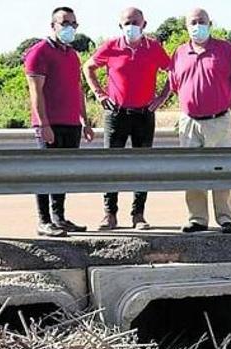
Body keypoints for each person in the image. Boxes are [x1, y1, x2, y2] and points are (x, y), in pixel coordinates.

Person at [83, 7, 172, 231]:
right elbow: (88, 67)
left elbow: (172, 71)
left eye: (135, 22)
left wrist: (162, 97)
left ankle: (138, 215)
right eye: (126, 22)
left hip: (144, 114)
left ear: (144, 24)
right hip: (116, 114)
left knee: (143, 166)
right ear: (120, 25)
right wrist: (99, 93)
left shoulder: (153, 48)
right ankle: (109, 214)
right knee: (112, 165)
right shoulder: (111, 46)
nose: (131, 26)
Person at [169, 8, 231, 234]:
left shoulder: (225, 49)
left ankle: (226, 218)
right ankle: (197, 219)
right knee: (191, 171)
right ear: (186, 27)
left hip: (219, 121)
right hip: (189, 122)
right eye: (193, 22)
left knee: (221, 168)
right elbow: (176, 85)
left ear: (210, 23)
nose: (197, 26)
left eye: (201, 21)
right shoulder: (179, 52)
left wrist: (227, 102)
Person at [25, 6, 95, 237]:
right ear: (53, 25)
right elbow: (36, 92)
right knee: (46, 172)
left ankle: (59, 218)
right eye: (64, 23)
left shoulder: (72, 54)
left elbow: (77, 89)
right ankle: (43, 220)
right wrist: (44, 124)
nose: (69, 28)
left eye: (73, 24)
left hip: (71, 123)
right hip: (50, 124)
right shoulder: (39, 52)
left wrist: (84, 120)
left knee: (64, 173)